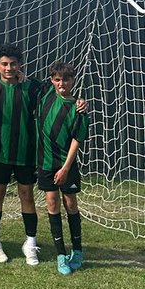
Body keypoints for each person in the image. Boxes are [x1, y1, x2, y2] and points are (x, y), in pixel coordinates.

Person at [0, 44, 45, 265]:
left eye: (13, 64)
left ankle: (30, 243)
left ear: (20, 65)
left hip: (24, 153)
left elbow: (58, 92)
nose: (9, 68)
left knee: (26, 196)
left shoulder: (33, 86)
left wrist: (79, 102)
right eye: (4, 64)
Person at [36, 61, 89, 275]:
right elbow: (22, 78)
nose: (61, 83)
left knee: (70, 203)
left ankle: (77, 251)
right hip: (45, 162)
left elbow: (77, 140)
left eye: (66, 79)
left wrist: (66, 168)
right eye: (57, 79)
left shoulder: (78, 108)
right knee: (51, 202)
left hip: (66, 164)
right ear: (51, 80)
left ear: (73, 80)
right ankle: (60, 254)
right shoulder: (46, 93)